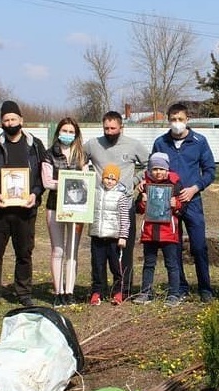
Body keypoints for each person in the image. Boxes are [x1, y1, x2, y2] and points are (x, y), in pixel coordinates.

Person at [0, 100, 46, 310]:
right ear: (1, 122)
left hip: (26, 210)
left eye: (13, 119)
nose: (10, 123)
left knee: (24, 253)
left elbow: (44, 176)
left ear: (21, 120)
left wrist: (35, 194)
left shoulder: (35, 145)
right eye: (6, 119)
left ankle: (24, 293)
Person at [151, 103, 216, 303]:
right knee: (174, 246)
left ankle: (205, 288)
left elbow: (210, 171)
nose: (176, 123)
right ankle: (180, 287)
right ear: (168, 120)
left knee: (198, 246)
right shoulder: (161, 142)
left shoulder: (199, 141)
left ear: (187, 119)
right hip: (168, 203)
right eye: (173, 119)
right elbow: (153, 170)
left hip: (192, 201)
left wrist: (195, 188)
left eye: (180, 119)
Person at [84, 111, 149, 299]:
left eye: (113, 128)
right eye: (106, 128)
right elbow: (79, 160)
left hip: (123, 204)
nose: (109, 131)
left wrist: (135, 181)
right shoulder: (93, 144)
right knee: (98, 251)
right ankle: (99, 289)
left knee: (123, 249)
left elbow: (149, 163)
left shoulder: (133, 144)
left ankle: (123, 289)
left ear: (121, 127)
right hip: (100, 205)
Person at [42, 117, 87, 306]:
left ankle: (69, 291)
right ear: (58, 132)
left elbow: (86, 178)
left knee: (72, 251)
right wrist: (68, 182)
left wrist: (74, 182)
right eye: (64, 131)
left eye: (71, 132)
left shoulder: (81, 155)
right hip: (55, 207)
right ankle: (58, 291)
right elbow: (47, 182)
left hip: (77, 208)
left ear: (76, 134)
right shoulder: (48, 154)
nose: (67, 135)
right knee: (58, 250)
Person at [133, 152, 185, 307]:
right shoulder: (145, 186)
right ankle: (146, 292)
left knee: (172, 264)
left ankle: (174, 294)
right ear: (150, 170)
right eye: (154, 169)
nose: (158, 172)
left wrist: (177, 205)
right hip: (150, 232)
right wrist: (143, 202)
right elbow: (139, 210)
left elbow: (183, 208)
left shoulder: (175, 184)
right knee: (149, 264)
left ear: (167, 170)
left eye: (161, 169)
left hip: (169, 232)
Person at [88, 164, 130, 305]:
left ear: (117, 180)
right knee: (97, 266)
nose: (109, 181)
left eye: (113, 179)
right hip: (97, 236)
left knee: (115, 266)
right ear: (102, 178)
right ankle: (97, 292)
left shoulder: (121, 196)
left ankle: (118, 291)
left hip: (114, 238)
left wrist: (123, 236)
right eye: (107, 178)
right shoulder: (95, 193)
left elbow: (125, 217)